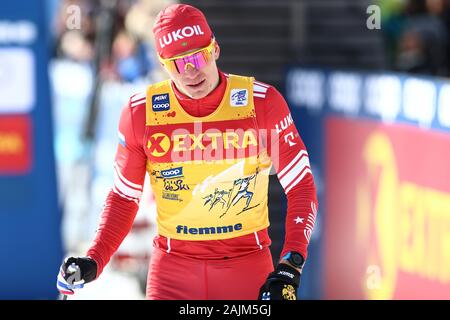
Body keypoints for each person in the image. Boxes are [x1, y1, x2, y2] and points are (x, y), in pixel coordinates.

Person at [57, 3, 318, 300]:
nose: (192, 71)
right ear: (163, 64)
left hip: (245, 266)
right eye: (179, 63)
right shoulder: (141, 113)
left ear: (215, 49)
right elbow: (124, 197)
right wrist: (94, 259)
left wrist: (290, 264)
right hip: (173, 272)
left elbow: (301, 185)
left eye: (198, 56)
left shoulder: (261, 103)